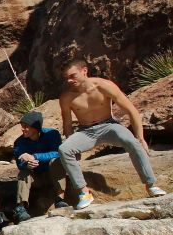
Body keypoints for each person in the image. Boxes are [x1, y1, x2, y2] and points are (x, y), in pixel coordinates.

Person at [58, 58, 166, 210]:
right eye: (66, 77)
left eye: (72, 76)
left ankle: (151, 185)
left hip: (109, 125)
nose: (69, 80)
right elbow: (67, 124)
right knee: (64, 149)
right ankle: (84, 193)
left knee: (133, 142)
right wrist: (72, 144)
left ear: (84, 71)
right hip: (85, 131)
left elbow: (131, 110)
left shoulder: (104, 86)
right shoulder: (66, 97)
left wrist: (140, 137)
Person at [12, 110, 68, 222]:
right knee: (24, 172)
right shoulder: (19, 142)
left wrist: (35, 156)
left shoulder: (52, 134)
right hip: (36, 178)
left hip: (53, 175)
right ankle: (20, 208)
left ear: (35, 128)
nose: (22, 129)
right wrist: (27, 164)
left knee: (55, 161)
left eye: (26, 126)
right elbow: (19, 164)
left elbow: (58, 153)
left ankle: (60, 199)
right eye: (22, 126)